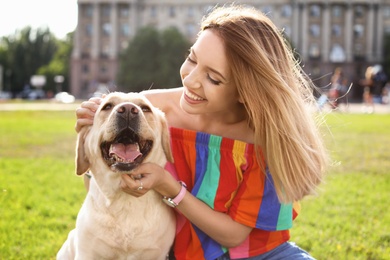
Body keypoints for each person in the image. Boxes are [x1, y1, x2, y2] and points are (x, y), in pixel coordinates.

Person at [75, 4, 328, 260]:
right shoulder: (149, 112)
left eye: (214, 78)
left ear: (244, 92)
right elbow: (98, 186)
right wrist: (95, 137)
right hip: (185, 253)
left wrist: (170, 187)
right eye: (192, 59)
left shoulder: (265, 136)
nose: (190, 80)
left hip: (265, 254)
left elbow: (233, 235)